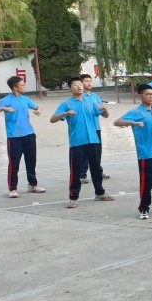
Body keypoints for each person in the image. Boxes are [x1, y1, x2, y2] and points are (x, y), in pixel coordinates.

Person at [50, 76, 114, 209]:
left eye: (80, 84)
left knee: (96, 168)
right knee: (75, 171)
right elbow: (52, 119)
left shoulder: (91, 102)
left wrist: (105, 109)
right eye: (75, 85)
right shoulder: (66, 104)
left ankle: (100, 193)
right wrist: (65, 113)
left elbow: (105, 115)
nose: (79, 86)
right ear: (70, 88)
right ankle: (73, 198)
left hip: (93, 140)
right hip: (77, 142)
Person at [114, 84, 152, 219]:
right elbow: (117, 122)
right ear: (141, 96)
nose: (151, 96)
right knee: (146, 182)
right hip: (147, 153)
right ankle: (144, 208)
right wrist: (133, 123)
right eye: (148, 94)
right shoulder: (136, 113)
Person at [0, 75, 45, 198]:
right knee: (14, 163)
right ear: (15, 87)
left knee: (31, 161)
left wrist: (37, 110)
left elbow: (36, 106)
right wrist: (3, 108)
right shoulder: (6, 100)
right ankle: (13, 188)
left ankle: (33, 185)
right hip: (14, 137)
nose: (24, 86)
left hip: (29, 134)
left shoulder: (25, 99)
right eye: (22, 85)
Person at [78, 74, 108, 184]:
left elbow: (103, 112)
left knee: (97, 152)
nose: (89, 83)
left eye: (90, 81)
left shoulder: (95, 96)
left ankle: (98, 171)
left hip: (96, 128)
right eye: (86, 81)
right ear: (81, 83)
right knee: (86, 153)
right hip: (86, 129)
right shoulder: (80, 97)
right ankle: (82, 174)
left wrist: (103, 108)